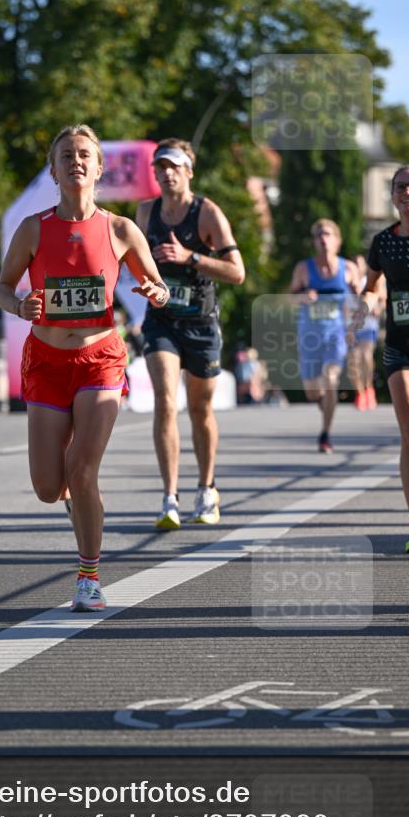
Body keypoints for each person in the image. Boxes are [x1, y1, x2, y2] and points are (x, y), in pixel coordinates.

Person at [0, 124, 169, 612]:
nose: (76, 161)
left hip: (100, 361)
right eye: (66, 155)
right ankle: (72, 491)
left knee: (84, 468)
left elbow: (158, 285)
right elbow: (3, 287)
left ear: (98, 169)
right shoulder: (33, 228)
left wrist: (156, 292)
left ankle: (88, 577)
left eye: (84, 155)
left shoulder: (121, 229)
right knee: (48, 487)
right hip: (46, 362)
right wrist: (18, 305)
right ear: (53, 170)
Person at [136, 138, 245, 530]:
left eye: (174, 166)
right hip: (161, 320)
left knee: (200, 410)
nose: (167, 173)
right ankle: (169, 498)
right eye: (160, 167)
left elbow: (237, 272)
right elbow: (135, 261)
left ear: (189, 171)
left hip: (200, 322)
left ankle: (207, 488)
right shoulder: (145, 212)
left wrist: (191, 257)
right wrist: (145, 282)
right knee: (166, 401)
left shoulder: (207, 213)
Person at [352, 166, 409, 554]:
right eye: (401, 186)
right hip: (401, 346)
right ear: (392, 195)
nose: (407, 192)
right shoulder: (383, 242)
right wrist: (365, 304)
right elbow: (373, 286)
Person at [289, 219, 359, 453]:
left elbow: (362, 297)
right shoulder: (303, 269)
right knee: (312, 391)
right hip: (309, 335)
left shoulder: (348, 269)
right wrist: (302, 297)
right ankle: (324, 401)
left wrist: (359, 298)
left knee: (330, 380)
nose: (323, 238)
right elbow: (290, 298)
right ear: (314, 242)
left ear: (337, 240)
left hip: (336, 333)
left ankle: (325, 434)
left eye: (327, 234)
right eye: (319, 235)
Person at [347, 253, 385, 410]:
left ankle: (369, 388)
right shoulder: (345, 283)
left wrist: (378, 309)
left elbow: (382, 299)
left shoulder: (369, 281)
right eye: (355, 263)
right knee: (354, 362)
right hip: (350, 328)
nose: (357, 266)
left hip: (368, 326)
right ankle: (360, 393)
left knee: (366, 356)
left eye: (360, 263)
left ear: (365, 266)